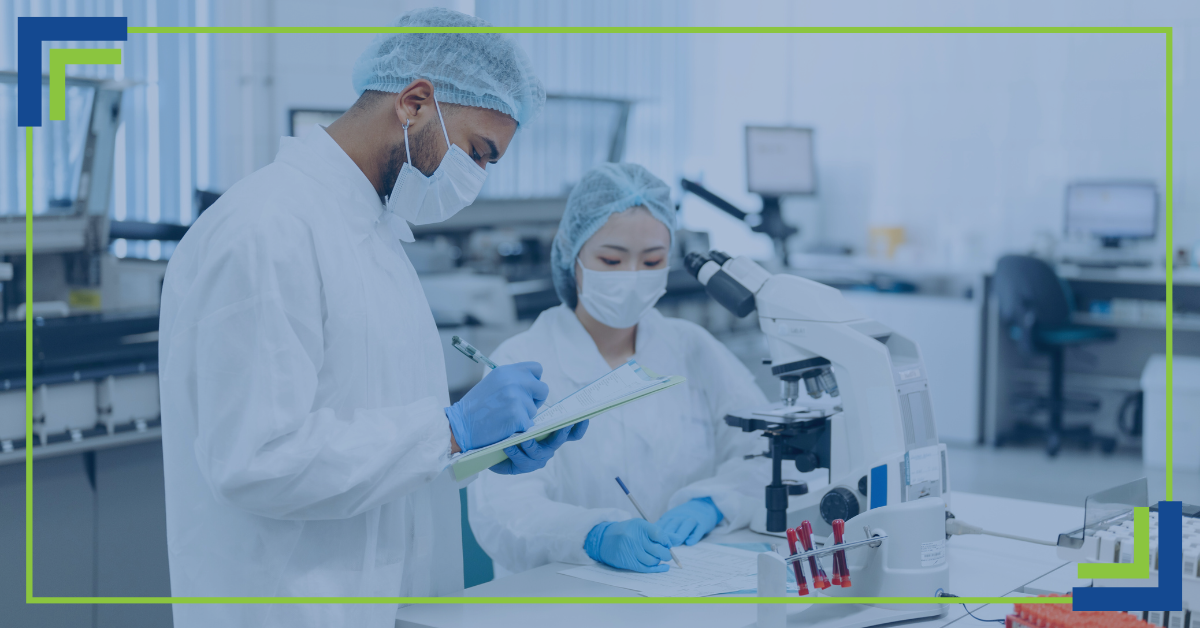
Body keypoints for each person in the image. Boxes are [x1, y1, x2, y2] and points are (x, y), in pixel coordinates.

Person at [158, 8, 585, 628]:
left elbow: (376, 434)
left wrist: (482, 447)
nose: (477, 179)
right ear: (414, 102)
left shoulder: (376, 233)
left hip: (388, 599)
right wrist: (450, 431)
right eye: (477, 152)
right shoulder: (267, 229)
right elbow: (256, 460)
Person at [468, 163, 770, 576]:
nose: (631, 278)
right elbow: (502, 511)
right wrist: (591, 535)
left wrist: (716, 501)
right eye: (611, 260)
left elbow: (763, 453)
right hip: (560, 601)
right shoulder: (520, 362)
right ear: (572, 256)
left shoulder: (694, 348)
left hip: (687, 587)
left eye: (652, 262)